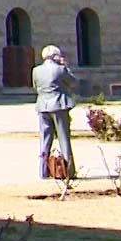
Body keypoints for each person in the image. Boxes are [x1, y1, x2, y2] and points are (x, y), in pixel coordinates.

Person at [34, 43, 79, 179]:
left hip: (42, 106)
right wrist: (66, 66)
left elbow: (36, 87)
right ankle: (69, 170)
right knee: (64, 138)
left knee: (45, 139)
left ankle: (43, 171)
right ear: (55, 56)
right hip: (59, 105)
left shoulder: (36, 70)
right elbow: (73, 82)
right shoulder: (60, 70)